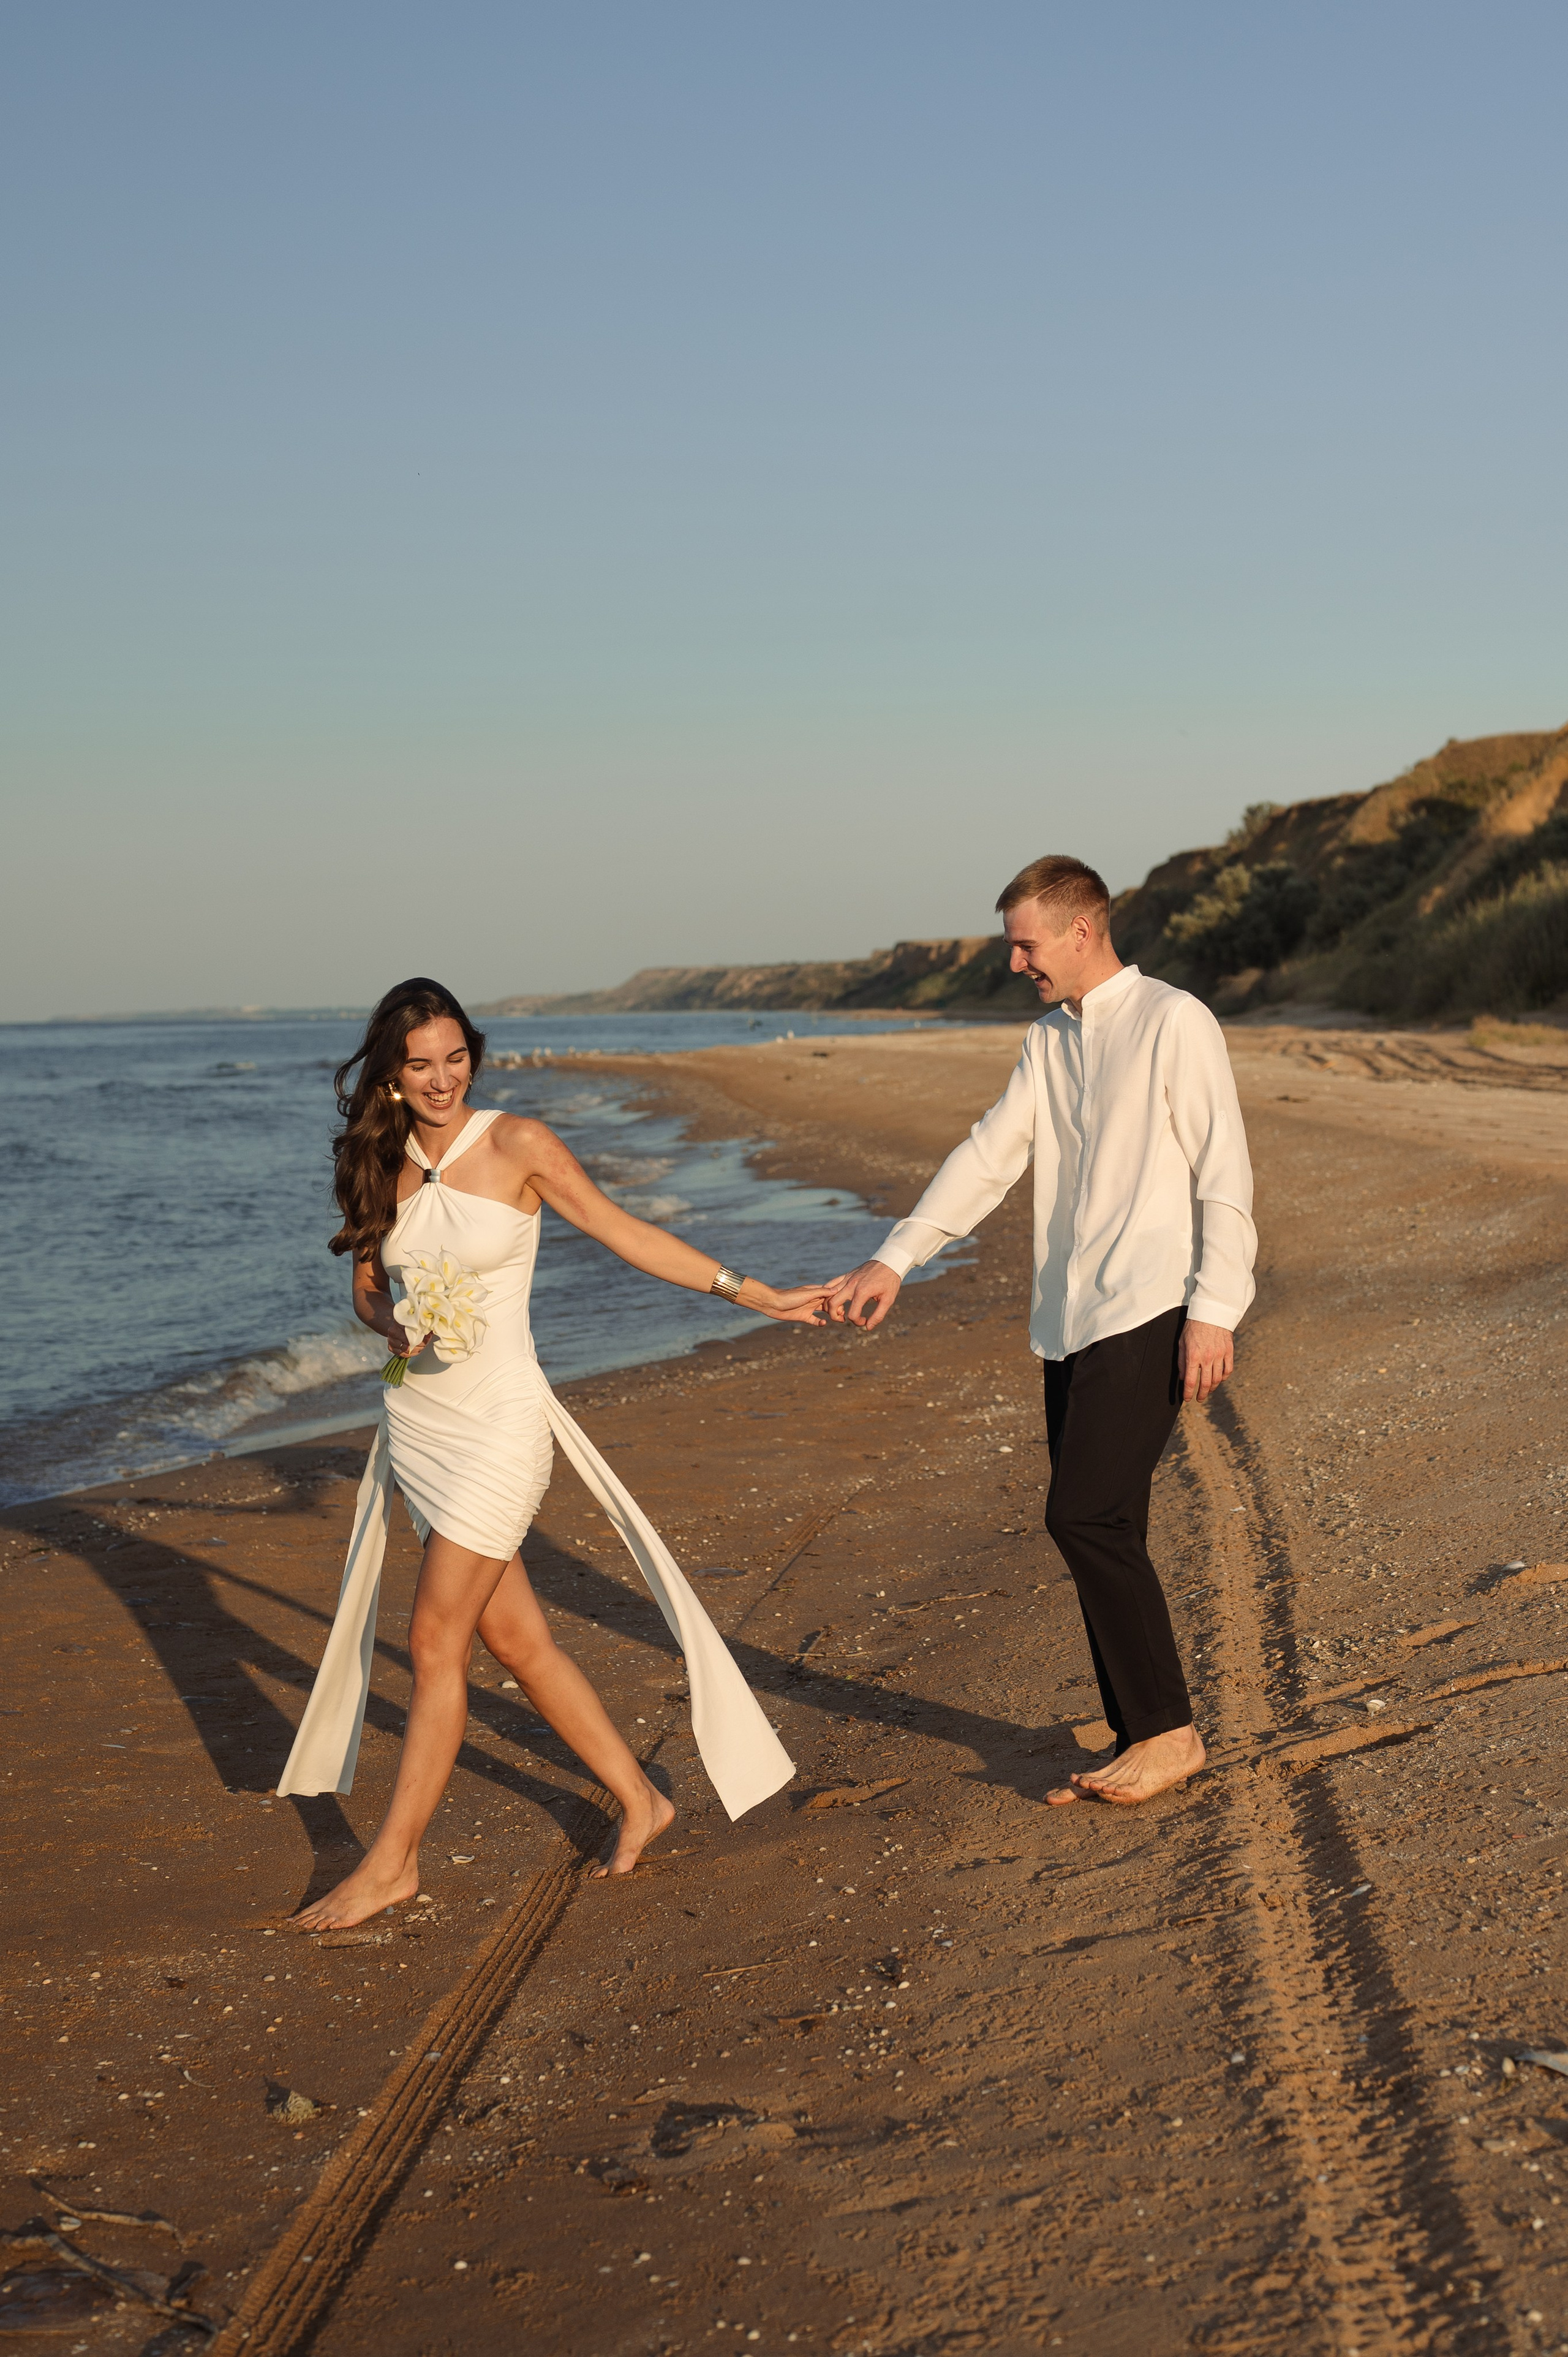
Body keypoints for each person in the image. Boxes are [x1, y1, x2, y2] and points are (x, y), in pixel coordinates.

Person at [285, 978, 829, 1932]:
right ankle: (643, 1799)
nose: (445, 1078)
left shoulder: (519, 1145)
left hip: (499, 1423)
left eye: (457, 1057)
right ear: (391, 1074)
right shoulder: (380, 1164)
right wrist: (391, 1324)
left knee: (431, 1643)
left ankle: (392, 1863)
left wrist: (761, 1294)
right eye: (422, 1063)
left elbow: (626, 1234)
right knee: (517, 1641)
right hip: (421, 1424)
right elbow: (368, 1290)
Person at [825, 856, 1256, 1807]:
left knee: (1084, 1515)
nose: (1017, 960)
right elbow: (990, 1156)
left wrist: (1215, 1310)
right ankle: (1134, 1726)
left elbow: (1225, 1172)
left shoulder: (1174, 1020)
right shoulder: (1049, 1042)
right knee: (1115, 1521)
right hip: (1069, 1317)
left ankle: (1170, 1733)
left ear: (1081, 930)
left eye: (1026, 941)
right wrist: (897, 1257)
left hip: (1150, 1305)